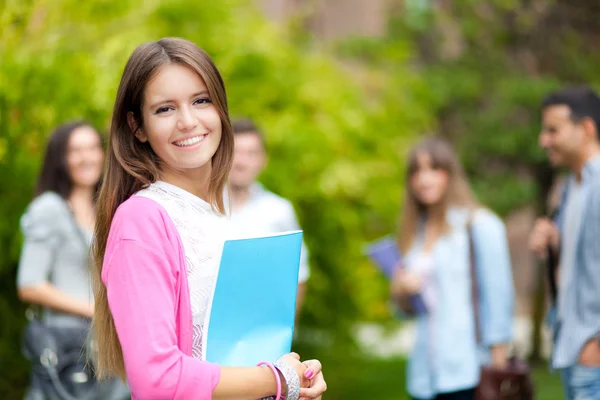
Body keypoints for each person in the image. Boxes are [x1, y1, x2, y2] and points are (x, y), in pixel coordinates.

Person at [90, 37, 326, 400]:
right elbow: (157, 379)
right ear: (137, 126)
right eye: (165, 109)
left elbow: (241, 355)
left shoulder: (218, 215)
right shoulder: (141, 219)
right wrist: (278, 379)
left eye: (201, 101)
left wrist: (297, 378)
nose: (188, 121)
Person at [390, 137, 514, 400]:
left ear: (450, 174)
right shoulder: (416, 234)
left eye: (433, 169)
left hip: (468, 371)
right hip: (425, 374)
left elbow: (499, 302)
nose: (424, 179)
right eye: (416, 171)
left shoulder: (479, 225)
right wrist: (401, 290)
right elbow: (406, 312)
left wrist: (499, 371)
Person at [17, 121, 129, 399]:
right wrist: (96, 312)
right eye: (75, 150)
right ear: (60, 158)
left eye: (93, 148)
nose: (87, 157)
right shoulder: (49, 209)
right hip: (68, 349)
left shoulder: (107, 208)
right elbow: (29, 284)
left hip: (104, 347)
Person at [529, 86, 600, 399]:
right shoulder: (571, 188)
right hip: (572, 351)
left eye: (552, 130)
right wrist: (554, 242)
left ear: (586, 128)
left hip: (593, 358)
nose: (544, 140)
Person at [228, 118, 310, 318]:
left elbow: (298, 273)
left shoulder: (279, 211)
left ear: (263, 159)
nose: (241, 162)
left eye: (251, 154)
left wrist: (288, 328)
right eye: (235, 152)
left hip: (263, 324)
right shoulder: (202, 208)